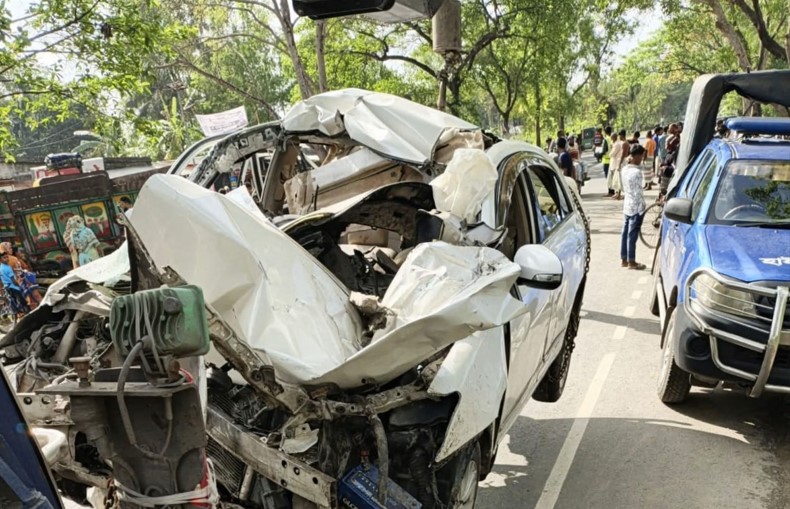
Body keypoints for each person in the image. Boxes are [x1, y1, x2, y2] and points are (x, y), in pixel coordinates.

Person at [620, 144, 648, 270]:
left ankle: (624, 259)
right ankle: (632, 261)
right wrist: (643, 207)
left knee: (625, 233)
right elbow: (638, 193)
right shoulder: (637, 172)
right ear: (636, 156)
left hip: (627, 205)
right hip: (636, 207)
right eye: (641, 156)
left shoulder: (624, 169)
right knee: (632, 235)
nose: (642, 158)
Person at [608, 131, 624, 199]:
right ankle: (616, 193)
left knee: (617, 180)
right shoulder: (615, 143)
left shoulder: (617, 144)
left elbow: (612, 154)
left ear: (614, 137)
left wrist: (610, 154)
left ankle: (618, 194)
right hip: (614, 163)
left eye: (612, 137)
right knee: (615, 179)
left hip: (616, 163)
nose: (611, 138)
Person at [602, 126, 613, 195]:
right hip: (612, 160)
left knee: (608, 176)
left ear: (605, 132)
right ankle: (613, 190)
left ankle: (610, 191)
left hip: (606, 160)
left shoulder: (606, 139)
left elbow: (604, 150)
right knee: (612, 176)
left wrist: (599, 154)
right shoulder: (613, 138)